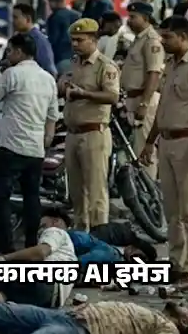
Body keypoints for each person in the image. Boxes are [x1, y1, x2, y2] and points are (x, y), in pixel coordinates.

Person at [141, 16, 188, 291]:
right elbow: (163, 110)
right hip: (167, 141)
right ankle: (176, 263)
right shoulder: (172, 66)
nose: (162, 41)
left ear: (183, 37)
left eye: (168, 37)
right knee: (172, 210)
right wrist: (150, 141)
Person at [0, 32, 58, 253]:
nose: (7, 55)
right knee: (31, 198)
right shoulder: (48, 78)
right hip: (35, 149)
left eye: (9, 51)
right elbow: (52, 115)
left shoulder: (11, 74)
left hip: (12, 148)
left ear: (18, 52)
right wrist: (45, 140)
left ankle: (6, 249)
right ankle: (30, 247)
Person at [59, 18, 119, 231]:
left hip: (94, 133)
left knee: (96, 191)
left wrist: (83, 93)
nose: (75, 44)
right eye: (73, 40)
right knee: (76, 192)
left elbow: (112, 97)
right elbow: (61, 88)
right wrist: (62, 85)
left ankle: (99, 236)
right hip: (73, 133)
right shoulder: (73, 64)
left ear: (93, 40)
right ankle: (81, 234)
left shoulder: (105, 66)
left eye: (80, 40)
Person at [0, 207, 78, 307]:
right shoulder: (68, 252)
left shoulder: (56, 231)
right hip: (50, 299)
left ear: (56, 222)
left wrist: (4, 258)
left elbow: (41, 252)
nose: (40, 231)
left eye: (43, 226)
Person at [0, 300, 186, 334]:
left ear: (186, 322)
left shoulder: (168, 329)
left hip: (82, 331)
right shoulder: (155, 314)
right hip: (65, 316)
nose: (187, 304)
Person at [122, 2, 165, 179]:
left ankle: (150, 195)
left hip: (144, 99)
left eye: (133, 17)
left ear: (146, 18)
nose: (129, 20)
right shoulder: (139, 38)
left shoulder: (151, 40)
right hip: (134, 99)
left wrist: (144, 103)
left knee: (145, 151)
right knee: (136, 149)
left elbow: (154, 73)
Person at [11, 2, 57, 75]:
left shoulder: (39, 40)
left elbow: (49, 70)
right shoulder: (16, 37)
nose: (12, 21)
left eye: (15, 17)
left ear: (28, 19)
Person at [45, 0, 80, 75]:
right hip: (77, 59)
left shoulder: (54, 18)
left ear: (53, 1)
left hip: (61, 59)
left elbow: (53, 41)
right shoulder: (77, 15)